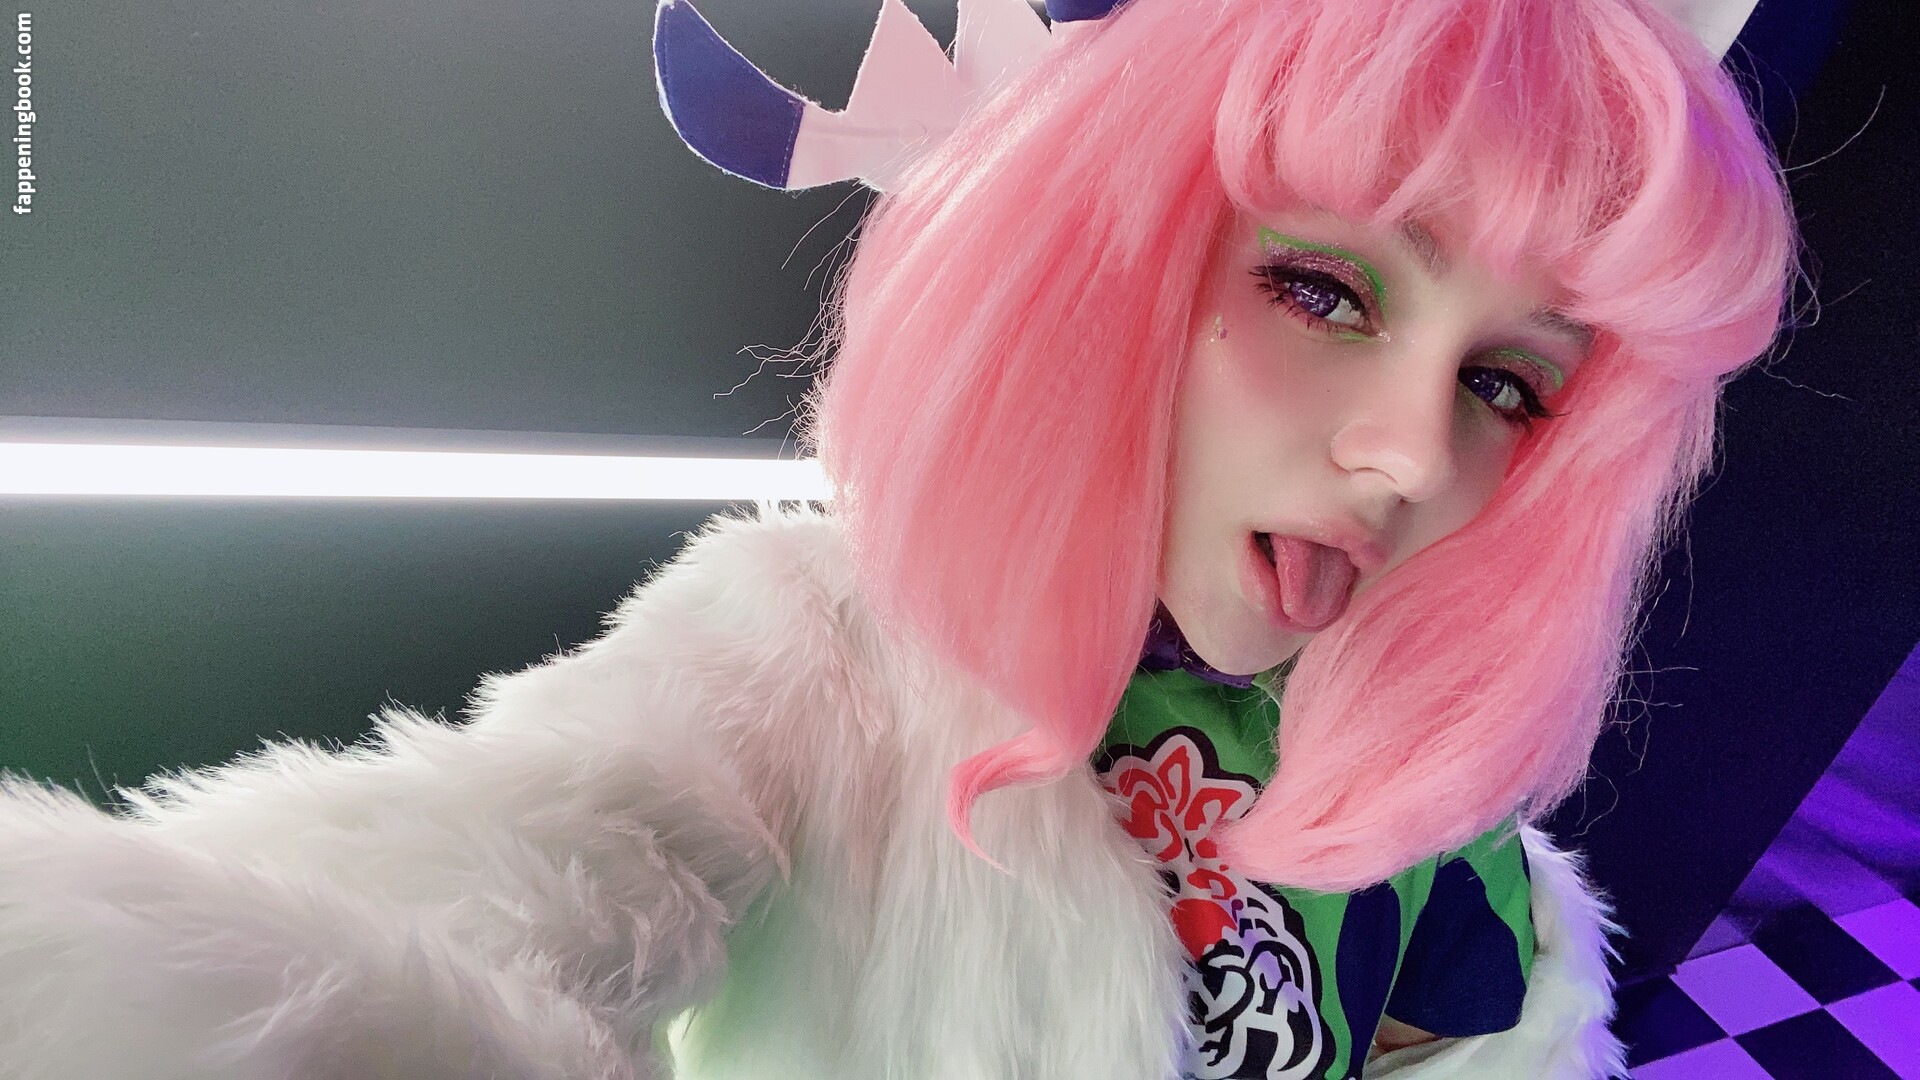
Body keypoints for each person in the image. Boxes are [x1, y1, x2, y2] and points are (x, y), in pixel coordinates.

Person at [0, 0, 1794, 1077]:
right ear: (1115, 268)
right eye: (1323, 289)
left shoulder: (1423, 790)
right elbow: (450, 936)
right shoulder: (814, 655)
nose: (1407, 455)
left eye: (1507, 387)